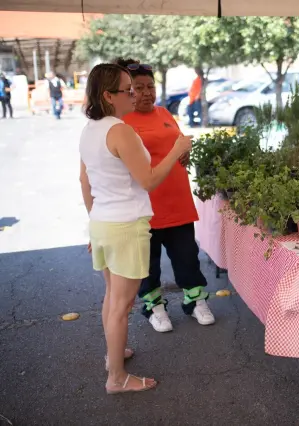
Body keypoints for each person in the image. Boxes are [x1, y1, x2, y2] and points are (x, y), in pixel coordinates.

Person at [79, 63, 192, 393]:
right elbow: (148, 180)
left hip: (103, 223)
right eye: (126, 89)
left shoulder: (91, 129)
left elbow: (84, 181)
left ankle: (113, 357)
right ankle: (116, 378)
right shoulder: (120, 131)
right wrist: (176, 150)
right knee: (122, 307)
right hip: (125, 225)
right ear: (107, 96)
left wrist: (93, 223)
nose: (134, 94)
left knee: (112, 298)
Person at [116, 58, 214, 333]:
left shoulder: (163, 113)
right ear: (127, 91)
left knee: (187, 258)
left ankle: (194, 302)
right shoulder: (121, 122)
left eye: (150, 86)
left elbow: (179, 145)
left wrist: (186, 150)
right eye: (139, 87)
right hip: (144, 206)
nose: (147, 93)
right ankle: (154, 307)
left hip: (177, 202)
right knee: (147, 265)